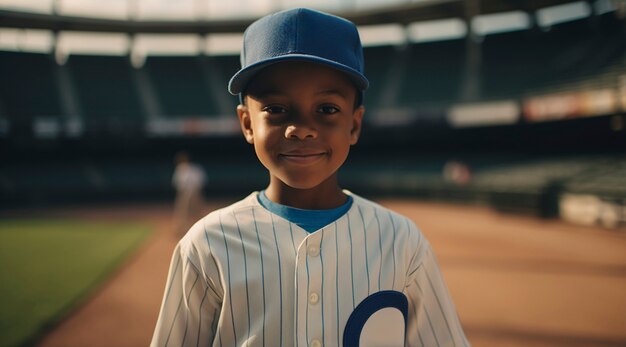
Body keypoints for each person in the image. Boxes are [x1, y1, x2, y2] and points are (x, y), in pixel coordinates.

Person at [152, 8, 469, 346]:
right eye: (275, 109)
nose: (300, 129)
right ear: (247, 124)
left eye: (327, 109)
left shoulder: (402, 242)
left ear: (354, 124)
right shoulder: (205, 246)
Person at [172, 151, 207, 236]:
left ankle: (184, 230)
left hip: (188, 193)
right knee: (189, 212)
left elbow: (178, 183)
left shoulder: (182, 168)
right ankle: (199, 230)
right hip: (193, 192)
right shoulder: (195, 168)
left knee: (184, 212)